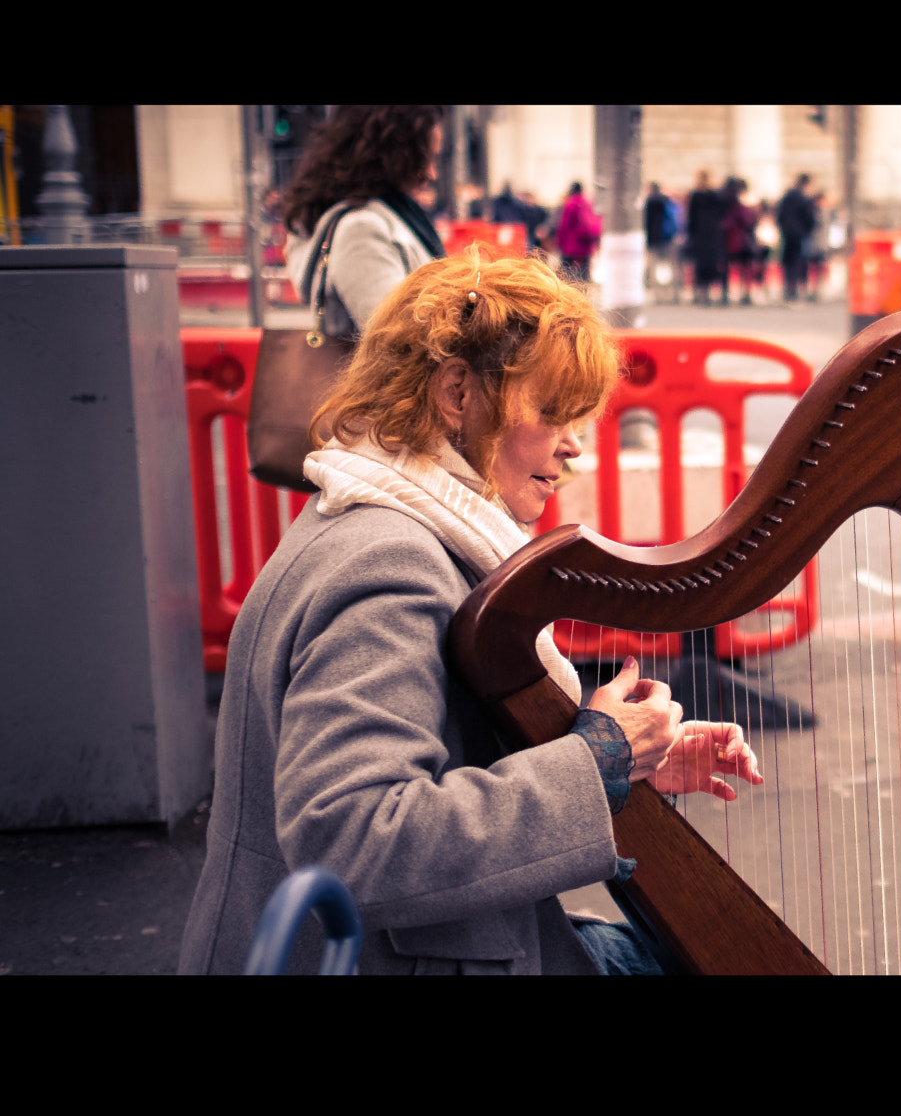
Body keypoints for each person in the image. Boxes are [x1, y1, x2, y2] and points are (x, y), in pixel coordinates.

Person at [179, 251, 763, 975]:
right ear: (458, 393)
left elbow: (437, 744)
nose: (574, 444)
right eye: (552, 412)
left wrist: (636, 763)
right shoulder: (386, 566)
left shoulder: (385, 517)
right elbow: (350, 837)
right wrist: (595, 761)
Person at [282, 106, 448, 337]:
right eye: (423, 159)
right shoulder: (362, 230)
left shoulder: (391, 216)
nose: (432, 174)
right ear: (392, 156)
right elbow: (398, 340)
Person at [686, 170, 729, 305]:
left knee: (710, 265)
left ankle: (708, 293)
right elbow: (691, 218)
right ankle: (703, 293)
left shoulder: (711, 195)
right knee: (703, 265)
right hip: (704, 235)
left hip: (708, 235)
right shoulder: (702, 196)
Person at [777, 174, 819, 301]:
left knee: (789, 263)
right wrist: (806, 230)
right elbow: (810, 219)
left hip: (787, 235)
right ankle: (798, 290)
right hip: (800, 236)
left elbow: (779, 217)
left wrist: (784, 230)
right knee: (799, 262)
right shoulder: (802, 198)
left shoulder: (786, 197)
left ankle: (789, 289)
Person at [554, 182, 601, 283]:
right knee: (583, 275)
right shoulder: (587, 203)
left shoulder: (570, 204)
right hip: (585, 247)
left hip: (570, 247)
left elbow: (564, 226)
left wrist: (559, 243)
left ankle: (568, 295)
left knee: (567, 275)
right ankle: (583, 295)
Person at [644, 181, 679, 302]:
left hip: (654, 239)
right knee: (671, 266)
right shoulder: (667, 201)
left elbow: (646, 222)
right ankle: (673, 294)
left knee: (654, 267)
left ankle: (658, 295)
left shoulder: (649, 202)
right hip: (668, 238)